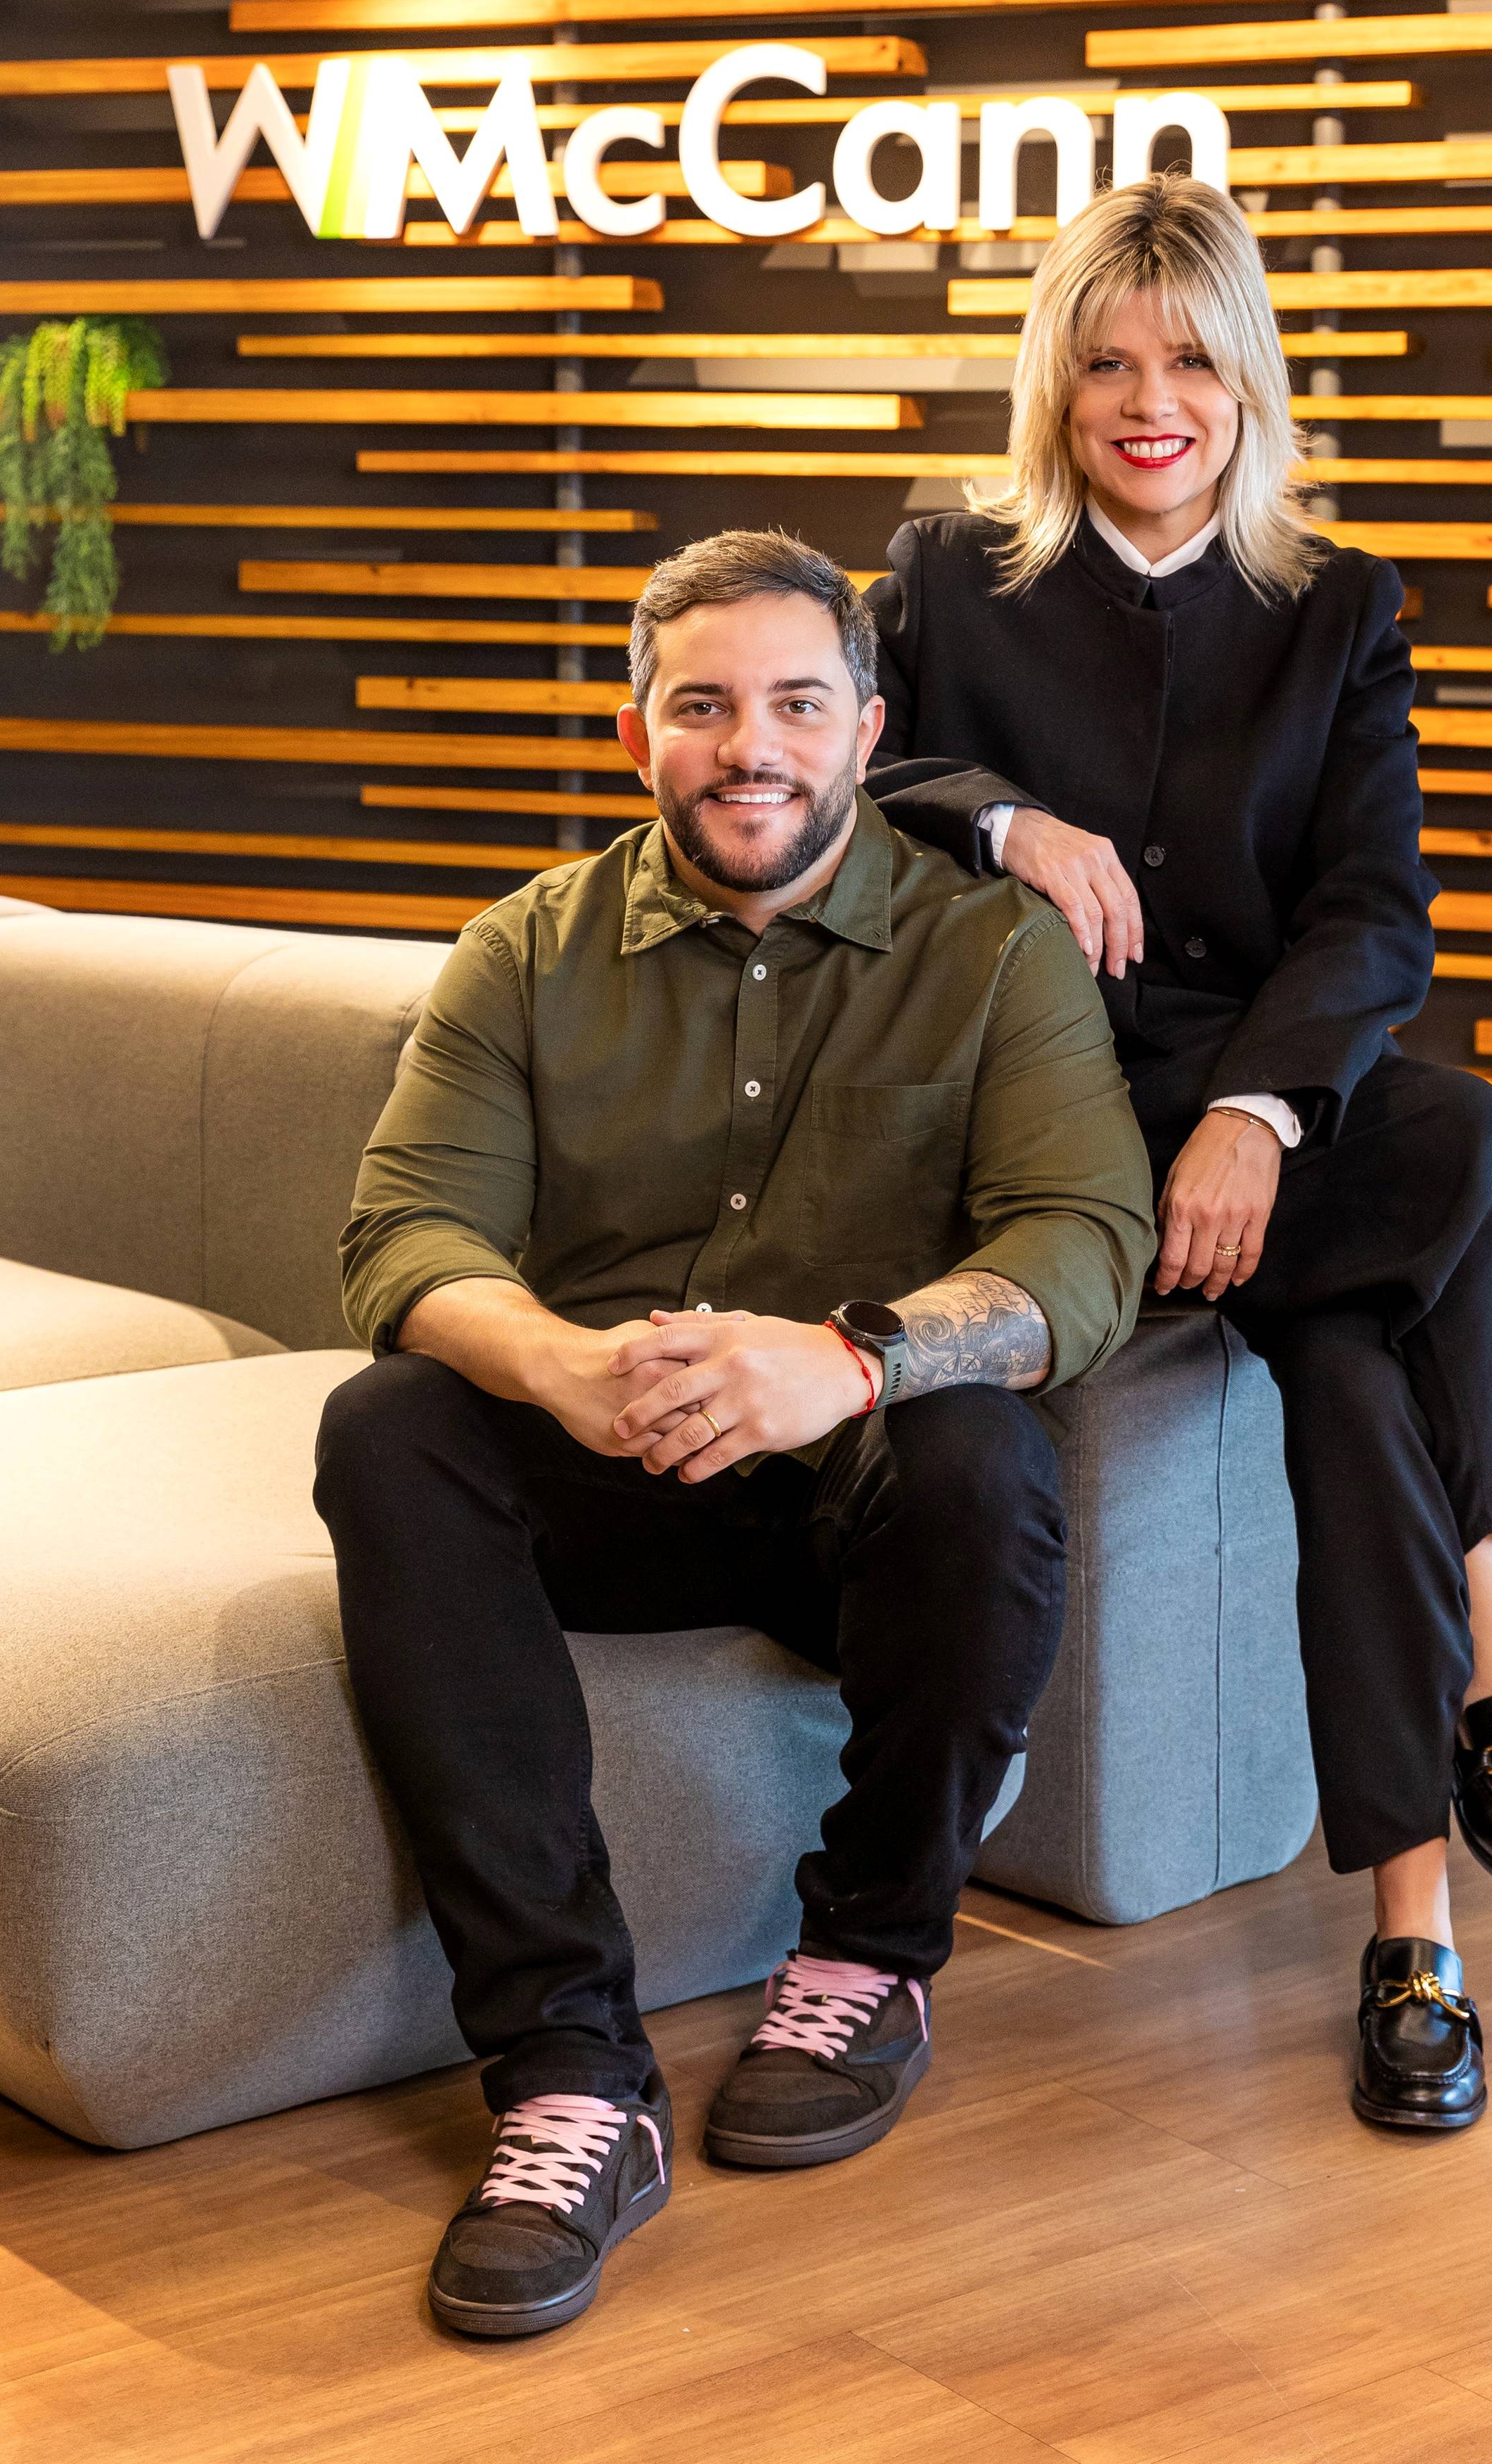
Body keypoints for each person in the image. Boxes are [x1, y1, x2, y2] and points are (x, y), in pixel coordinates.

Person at [314, 530, 1155, 2340]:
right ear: (636, 735)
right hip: (608, 1462)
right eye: (700, 707)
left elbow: (1084, 1248)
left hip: (855, 1486)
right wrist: (555, 1365)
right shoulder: (524, 951)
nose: (748, 746)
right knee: (388, 1425)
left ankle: (866, 1957)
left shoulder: (992, 953)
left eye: (793, 703)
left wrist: (850, 1361)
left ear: (867, 729)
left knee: (981, 1456)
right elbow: (404, 1233)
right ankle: (568, 2076)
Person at [866, 171, 1492, 2136]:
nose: (1151, 402)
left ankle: (1415, 1926)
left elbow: (1373, 910)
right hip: (1045, 1119)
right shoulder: (948, 577)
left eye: (1192, 360)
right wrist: (1007, 820)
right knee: (1388, 1303)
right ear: (1054, 381)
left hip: (1255, 1112)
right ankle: (1486, 1712)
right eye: (1108, 362)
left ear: (1247, 381)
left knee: (1433, 1195)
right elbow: (841, 767)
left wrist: (1255, 1113)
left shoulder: (1336, 606)